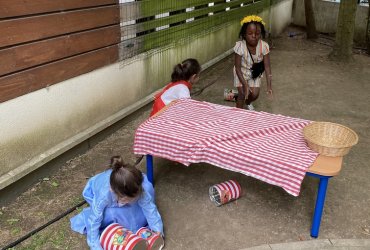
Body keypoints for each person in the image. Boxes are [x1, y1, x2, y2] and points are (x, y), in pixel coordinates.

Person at [70, 156, 163, 250]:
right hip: (101, 188)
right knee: (110, 215)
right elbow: (94, 220)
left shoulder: (138, 187)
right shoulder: (104, 195)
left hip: (122, 186)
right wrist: (96, 247)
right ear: (112, 190)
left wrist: (157, 229)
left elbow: (150, 208)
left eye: (134, 198)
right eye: (126, 199)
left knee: (145, 198)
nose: (130, 202)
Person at [233, 15, 273, 110]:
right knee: (243, 93)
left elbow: (267, 67)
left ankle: (247, 102)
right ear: (244, 34)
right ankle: (238, 114)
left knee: (255, 94)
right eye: (250, 33)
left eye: (257, 33)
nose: (254, 36)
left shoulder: (264, 46)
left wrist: (269, 86)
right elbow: (237, 68)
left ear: (261, 34)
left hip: (254, 73)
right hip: (241, 73)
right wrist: (245, 85)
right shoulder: (240, 46)